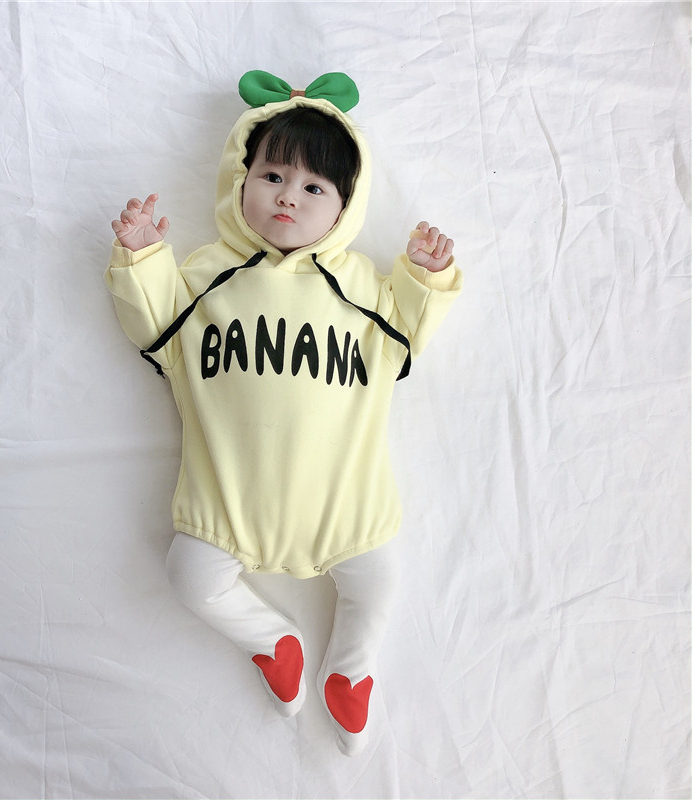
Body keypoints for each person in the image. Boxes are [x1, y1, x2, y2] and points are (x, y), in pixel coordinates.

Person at [105, 71, 463, 756]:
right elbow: (154, 323)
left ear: (345, 208)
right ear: (239, 181)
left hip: (345, 506)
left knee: (379, 581)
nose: (288, 197)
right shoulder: (208, 275)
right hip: (227, 504)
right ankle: (274, 641)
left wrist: (424, 275)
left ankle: (351, 670)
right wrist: (143, 255)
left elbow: (409, 328)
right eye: (272, 176)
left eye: (314, 188)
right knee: (189, 577)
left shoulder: (361, 289)